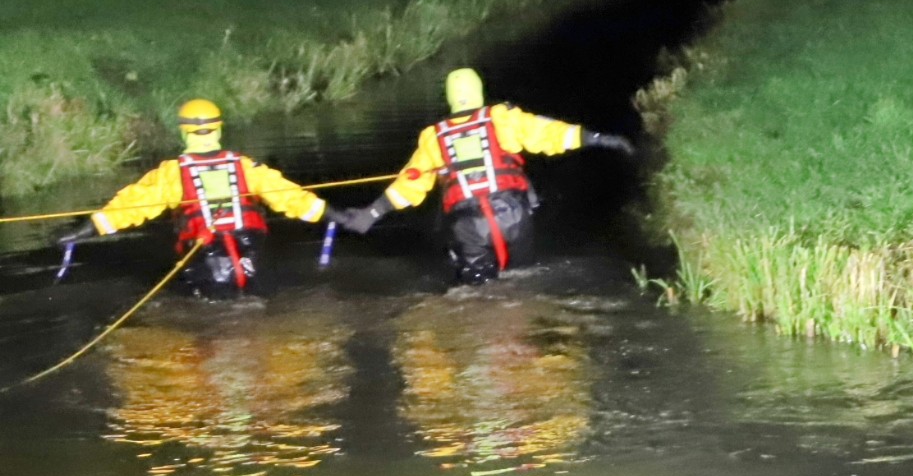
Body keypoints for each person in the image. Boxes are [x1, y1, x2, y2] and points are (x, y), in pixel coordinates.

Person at [332, 68, 633, 283]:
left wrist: (371, 213)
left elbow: (410, 183)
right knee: (520, 282)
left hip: (467, 226)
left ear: (449, 98)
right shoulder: (502, 118)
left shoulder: (434, 137)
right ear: (479, 92)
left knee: (479, 291)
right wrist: (596, 138)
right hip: (513, 216)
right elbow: (548, 133)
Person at [55, 99, 328, 295]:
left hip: (206, 262)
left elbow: (132, 205)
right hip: (251, 259)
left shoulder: (171, 174)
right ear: (218, 129)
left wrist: (88, 228)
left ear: (184, 132)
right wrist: (339, 216)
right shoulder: (246, 167)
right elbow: (291, 198)